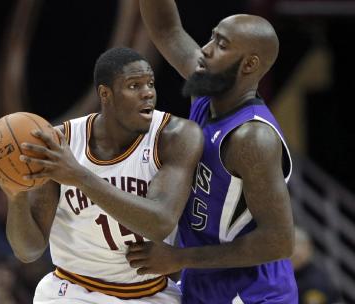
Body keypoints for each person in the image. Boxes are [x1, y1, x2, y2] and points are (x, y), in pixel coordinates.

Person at [0, 47, 203, 303]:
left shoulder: (175, 136)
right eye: (134, 86)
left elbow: (160, 222)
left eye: (150, 84)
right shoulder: (59, 142)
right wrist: (16, 196)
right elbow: (28, 251)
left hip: (148, 293)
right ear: (105, 94)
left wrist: (79, 176)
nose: (148, 93)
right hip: (71, 291)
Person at [125, 2, 298, 303]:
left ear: (249, 65)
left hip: (254, 294)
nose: (204, 49)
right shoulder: (208, 89)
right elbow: (167, 30)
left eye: (221, 45)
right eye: (211, 37)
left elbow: (279, 241)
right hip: (205, 282)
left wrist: (180, 258)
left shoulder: (252, 138)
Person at [291, 227, 341, 304]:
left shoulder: (316, 281)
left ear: (308, 249)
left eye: (296, 256)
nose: (294, 254)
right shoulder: (285, 276)